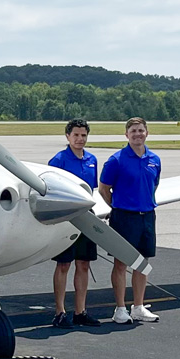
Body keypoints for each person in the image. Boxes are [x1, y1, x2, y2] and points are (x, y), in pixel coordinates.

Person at [99, 117, 161, 324]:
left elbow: (154, 184)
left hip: (148, 216)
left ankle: (138, 307)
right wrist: (117, 207)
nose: (138, 134)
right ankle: (119, 308)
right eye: (133, 131)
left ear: (147, 133)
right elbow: (104, 188)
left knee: (142, 263)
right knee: (120, 263)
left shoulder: (155, 159)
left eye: (141, 130)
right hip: (124, 217)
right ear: (127, 135)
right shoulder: (116, 160)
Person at [48, 118, 102, 327]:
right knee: (64, 264)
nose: (80, 139)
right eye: (76, 135)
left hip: (86, 218)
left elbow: (93, 190)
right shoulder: (59, 160)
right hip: (66, 220)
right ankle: (60, 312)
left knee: (84, 264)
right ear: (68, 136)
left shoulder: (92, 160)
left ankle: (80, 311)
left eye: (83, 135)